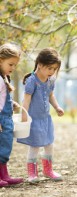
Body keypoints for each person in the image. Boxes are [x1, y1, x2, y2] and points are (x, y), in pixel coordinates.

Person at [17, 48, 64, 183]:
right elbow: (26, 100)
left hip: (46, 119)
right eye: (49, 68)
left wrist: (57, 107)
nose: (52, 72)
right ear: (39, 64)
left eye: (54, 69)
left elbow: (51, 95)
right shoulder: (32, 81)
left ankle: (48, 170)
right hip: (34, 120)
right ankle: (32, 173)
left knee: (49, 144)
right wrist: (24, 117)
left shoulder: (50, 80)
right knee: (35, 146)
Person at [0, 43, 24, 187]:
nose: (12, 68)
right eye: (10, 64)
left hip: (6, 119)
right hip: (1, 119)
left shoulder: (5, 78)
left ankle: (4, 175)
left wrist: (11, 103)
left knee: (5, 148)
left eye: (15, 65)